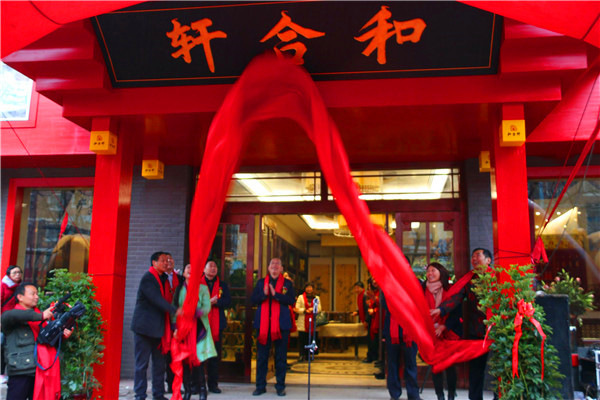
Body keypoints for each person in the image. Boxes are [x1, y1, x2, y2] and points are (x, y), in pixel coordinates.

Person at [432, 248, 493, 400]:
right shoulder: (469, 280)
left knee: (498, 369)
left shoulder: (497, 278)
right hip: (476, 332)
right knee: (476, 371)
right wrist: (441, 310)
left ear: (488, 260)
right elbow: (455, 298)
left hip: (496, 331)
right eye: (472, 256)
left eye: (478, 255)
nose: (474, 259)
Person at [1, 282, 71, 400]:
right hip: (21, 370)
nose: (36, 297)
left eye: (37, 294)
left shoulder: (39, 315)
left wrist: (62, 335)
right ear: (20, 297)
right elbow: (12, 315)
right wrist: (41, 316)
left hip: (40, 370)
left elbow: (47, 342)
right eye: (32, 294)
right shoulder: (11, 316)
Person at [131, 251, 179, 400]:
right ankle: (140, 395)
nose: (166, 263)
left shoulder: (165, 279)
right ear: (154, 263)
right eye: (163, 260)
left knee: (159, 365)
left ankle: (158, 394)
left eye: (167, 260)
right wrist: (175, 310)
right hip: (144, 329)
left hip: (159, 329)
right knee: (142, 365)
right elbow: (157, 299)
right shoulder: (148, 278)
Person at [251, 258, 295, 397]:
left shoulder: (287, 284)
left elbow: (291, 300)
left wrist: (276, 295)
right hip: (263, 325)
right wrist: (264, 294)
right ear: (268, 268)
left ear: (281, 269)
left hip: (281, 325)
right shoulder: (260, 283)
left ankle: (280, 386)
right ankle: (260, 386)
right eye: (272, 264)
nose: (275, 266)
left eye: (277, 264)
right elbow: (253, 300)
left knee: (281, 358)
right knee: (262, 357)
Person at [173, 263, 217, 400]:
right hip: (183, 329)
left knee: (199, 360)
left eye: (194, 268)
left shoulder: (202, 288)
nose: (191, 270)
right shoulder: (179, 288)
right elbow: (174, 309)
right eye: (188, 268)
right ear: (184, 273)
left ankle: (203, 391)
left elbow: (207, 307)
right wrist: (174, 327)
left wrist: (193, 312)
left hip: (198, 327)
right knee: (185, 361)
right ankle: (187, 391)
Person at [424, 262, 461, 400]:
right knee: (436, 366)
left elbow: (457, 311)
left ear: (441, 272)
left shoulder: (450, 289)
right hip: (431, 333)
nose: (430, 274)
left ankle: (451, 394)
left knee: (450, 366)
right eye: (428, 271)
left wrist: (444, 326)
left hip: (449, 332)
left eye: (433, 270)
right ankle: (439, 395)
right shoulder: (423, 289)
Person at [381, 289, 421, 400]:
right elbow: (385, 304)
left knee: (411, 362)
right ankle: (394, 393)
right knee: (392, 363)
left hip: (410, 329)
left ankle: (413, 394)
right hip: (392, 329)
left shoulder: (415, 284)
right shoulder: (388, 286)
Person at [200, 260, 231, 394]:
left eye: (215, 266)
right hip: (201, 324)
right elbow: (194, 302)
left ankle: (213, 385)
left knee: (214, 357)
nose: (213, 268)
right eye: (210, 266)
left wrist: (216, 302)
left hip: (217, 325)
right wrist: (208, 302)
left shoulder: (222, 285)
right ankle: (199, 385)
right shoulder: (198, 283)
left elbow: (228, 301)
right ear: (204, 269)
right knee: (200, 357)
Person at [1, 265, 23, 383]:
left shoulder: (20, 287)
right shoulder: (3, 286)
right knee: (2, 345)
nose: (17, 275)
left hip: (16, 320)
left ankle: (11, 372)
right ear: (9, 274)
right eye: (14, 273)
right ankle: (1, 373)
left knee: (13, 345)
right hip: (4, 321)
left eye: (19, 272)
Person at [164, 252, 181, 393]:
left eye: (171, 259)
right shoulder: (158, 278)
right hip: (163, 319)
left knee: (175, 354)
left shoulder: (180, 279)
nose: (169, 261)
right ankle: (160, 386)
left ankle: (173, 385)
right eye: (166, 259)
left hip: (177, 320)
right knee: (163, 354)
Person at [295, 282, 321, 362]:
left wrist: (312, 309)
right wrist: (304, 310)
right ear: (305, 288)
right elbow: (296, 308)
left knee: (310, 339)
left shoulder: (316, 297)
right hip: (303, 320)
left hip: (312, 321)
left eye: (310, 287)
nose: (309, 289)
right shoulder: (301, 297)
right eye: (307, 287)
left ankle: (309, 355)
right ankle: (301, 355)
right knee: (302, 339)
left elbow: (319, 308)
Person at [364, 277, 380, 363]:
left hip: (377, 318)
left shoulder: (380, 292)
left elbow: (382, 306)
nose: (374, 281)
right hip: (373, 318)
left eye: (375, 279)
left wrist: (374, 310)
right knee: (372, 338)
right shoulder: (371, 293)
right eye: (372, 280)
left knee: (376, 339)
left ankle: (376, 357)